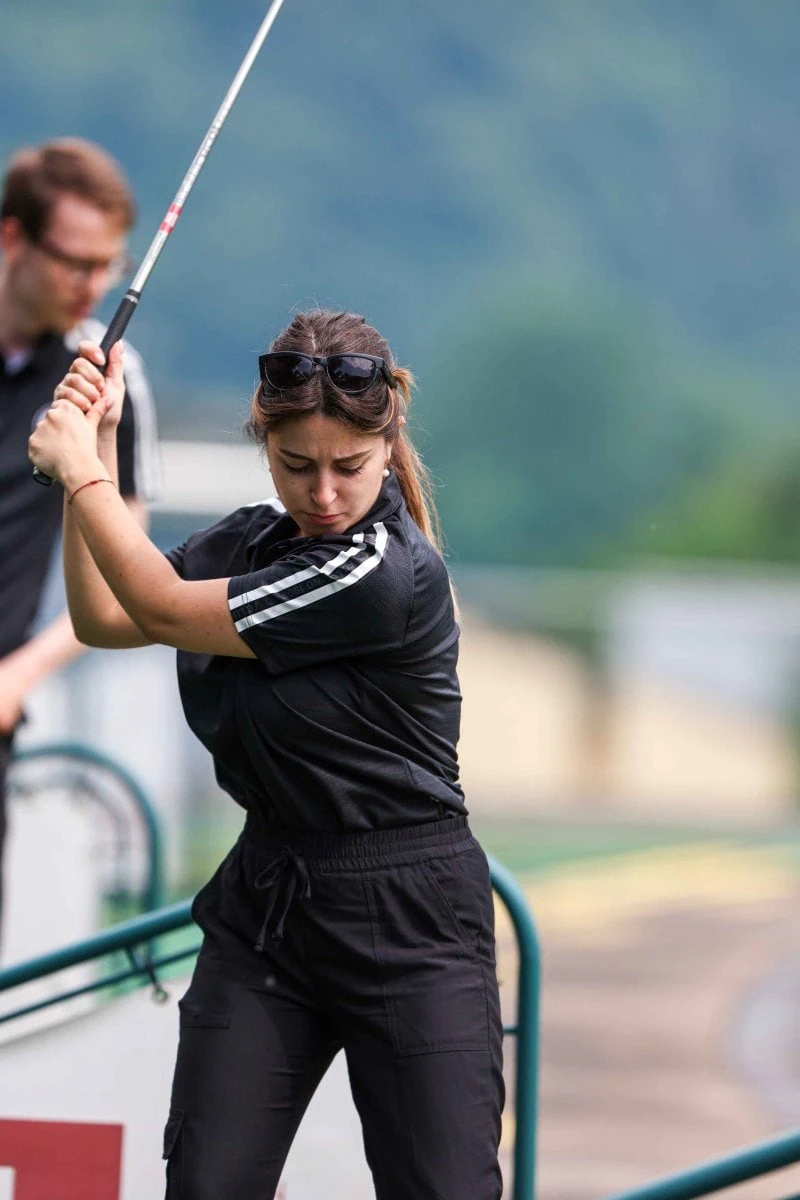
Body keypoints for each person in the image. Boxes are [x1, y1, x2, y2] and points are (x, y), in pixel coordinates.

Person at [28, 307, 504, 1199]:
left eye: (348, 468)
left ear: (388, 438)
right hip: (269, 906)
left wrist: (86, 471)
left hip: (411, 915)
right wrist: (87, 457)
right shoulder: (254, 540)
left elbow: (166, 609)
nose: (324, 494)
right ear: (265, 444)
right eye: (297, 467)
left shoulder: (381, 571)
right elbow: (103, 616)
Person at [0, 137, 161, 917]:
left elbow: (126, 571)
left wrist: (17, 677)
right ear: (11, 238)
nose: (92, 285)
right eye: (74, 261)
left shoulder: (107, 377)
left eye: (110, 266)